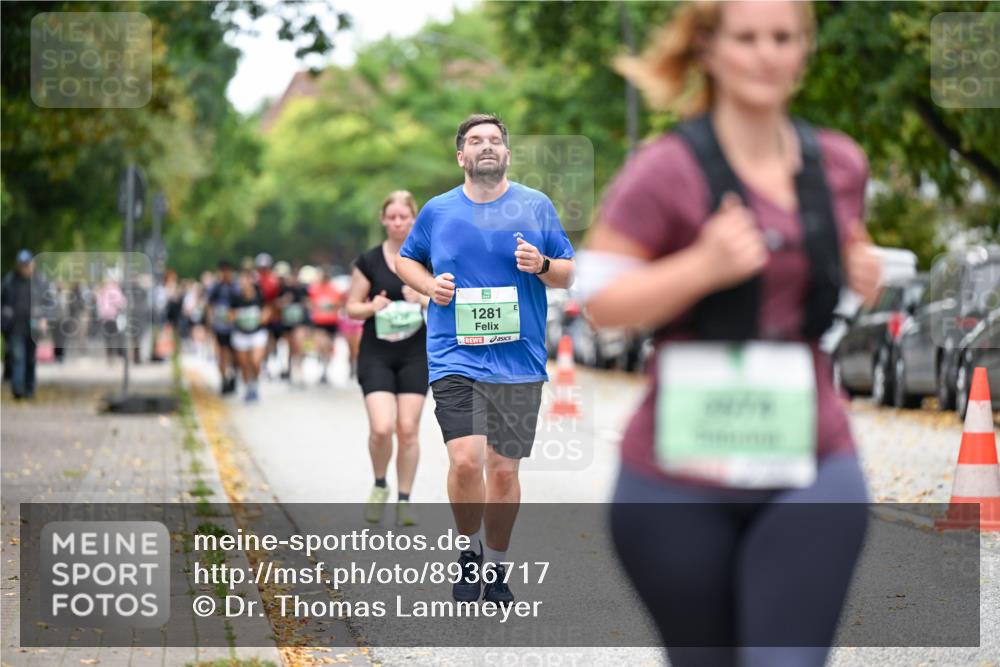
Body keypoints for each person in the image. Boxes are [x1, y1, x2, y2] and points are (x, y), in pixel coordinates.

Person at [578, 2, 882, 665]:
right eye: (747, 38)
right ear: (709, 50)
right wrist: (701, 266)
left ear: (805, 49)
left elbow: (837, 254)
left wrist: (861, 267)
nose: (767, 54)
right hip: (677, 473)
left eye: (784, 37)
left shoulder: (839, 164)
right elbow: (600, 300)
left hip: (809, 457)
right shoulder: (665, 170)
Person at [397, 114, 575, 604]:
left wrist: (540, 265)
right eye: (476, 141)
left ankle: (495, 565)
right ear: (461, 156)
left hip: (519, 360)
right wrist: (429, 285)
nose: (487, 147)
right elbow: (406, 260)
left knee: (502, 470)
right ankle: (467, 550)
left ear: (508, 154)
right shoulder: (437, 211)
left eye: (495, 140)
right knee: (465, 458)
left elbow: (567, 272)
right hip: (455, 355)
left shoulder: (535, 206)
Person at [346, 191, 430, 527]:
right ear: (383, 220)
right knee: (382, 429)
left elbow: (446, 300)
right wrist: (371, 307)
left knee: (407, 429)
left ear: (413, 218)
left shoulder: (427, 257)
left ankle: (405, 499)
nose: (397, 223)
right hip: (376, 353)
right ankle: (380, 483)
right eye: (391, 217)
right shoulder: (368, 261)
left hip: (415, 352)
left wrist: (422, 297)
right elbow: (351, 307)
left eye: (403, 217)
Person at [1, 250, 45, 399]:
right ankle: (18, 390)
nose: (25, 268)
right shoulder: (9, 281)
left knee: (30, 359)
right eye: (22, 265)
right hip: (15, 327)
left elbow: (49, 303)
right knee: (17, 357)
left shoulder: (40, 282)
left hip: (34, 328)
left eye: (27, 264)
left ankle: (29, 389)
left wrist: (44, 319)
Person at [230, 269, 270, 403]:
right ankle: (248, 388)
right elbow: (230, 315)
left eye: (245, 280)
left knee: (255, 361)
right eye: (241, 280)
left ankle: (255, 384)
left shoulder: (260, 296)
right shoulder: (235, 298)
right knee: (245, 364)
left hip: (257, 333)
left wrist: (263, 316)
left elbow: (267, 310)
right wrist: (235, 316)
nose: (243, 283)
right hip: (241, 334)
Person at [206, 260, 239, 394]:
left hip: (234, 327)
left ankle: (233, 375)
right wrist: (210, 322)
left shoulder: (235, 287)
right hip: (220, 326)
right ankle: (224, 378)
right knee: (222, 353)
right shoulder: (216, 287)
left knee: (234, 354)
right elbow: (210, 306)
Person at [276, 263, 311, 386]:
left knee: (301, 345)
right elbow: (277, 305)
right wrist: (285, 300)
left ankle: (299, 371)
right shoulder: (285, 289)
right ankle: (290, 370)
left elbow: (309, 305)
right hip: (288, 323)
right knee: (291, 348)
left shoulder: (304, 289)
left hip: (300, 322)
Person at [308, 266, 343, 385]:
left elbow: (339, 304)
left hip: (331, 322)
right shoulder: (314, 289)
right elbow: (309, 303)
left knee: (328, 347)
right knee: (320, 344)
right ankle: (321, 361)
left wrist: (330, 306)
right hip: (319, 322)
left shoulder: (334, 289)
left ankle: (325, 369)